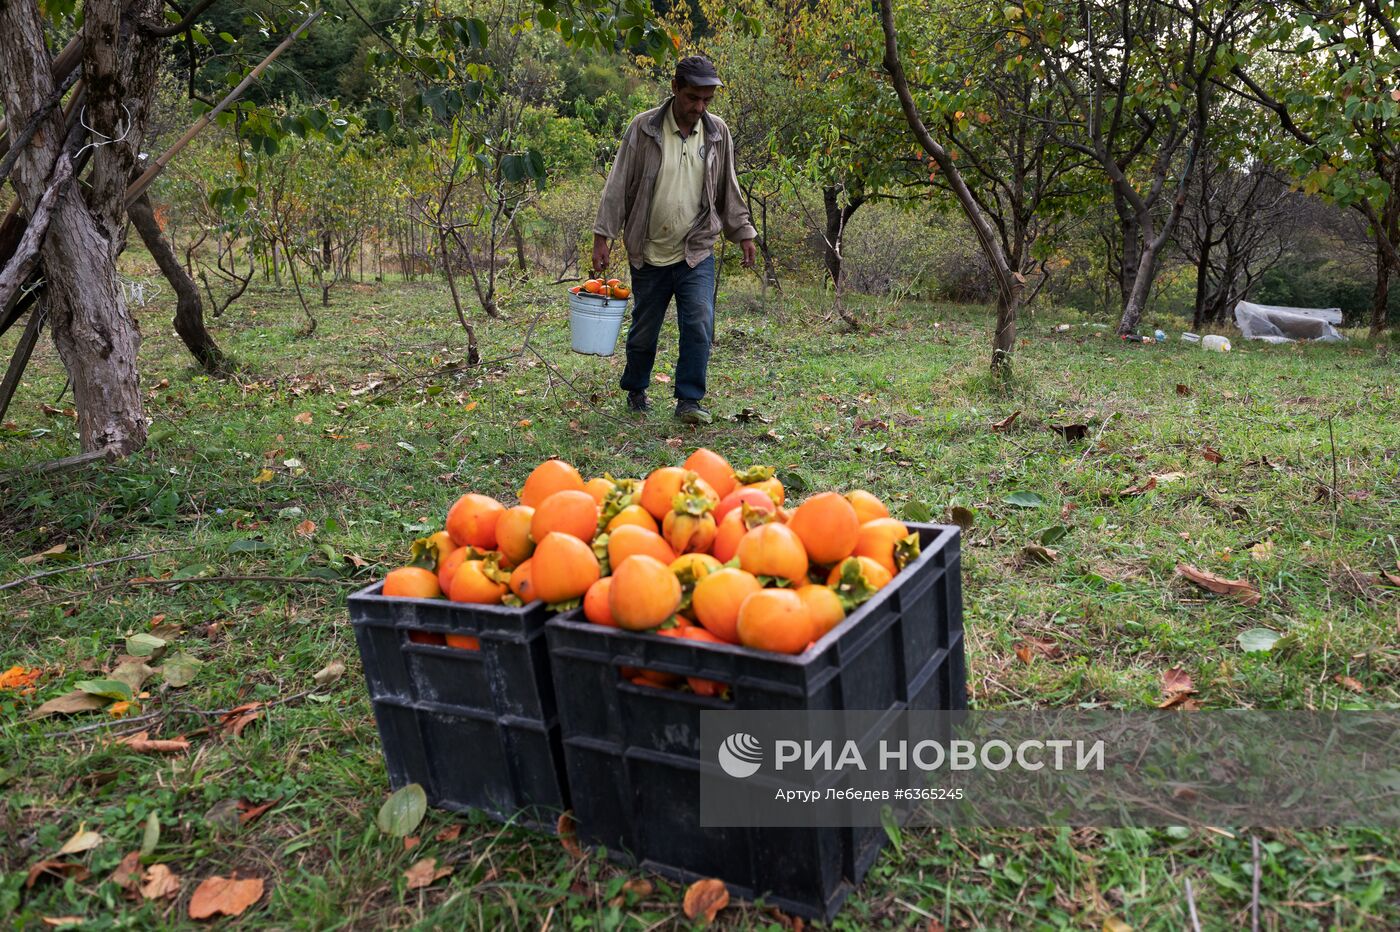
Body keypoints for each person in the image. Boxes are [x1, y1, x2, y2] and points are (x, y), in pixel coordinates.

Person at [592, 55, 758, 425]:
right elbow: (617, 185)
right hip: (649, 250)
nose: (699, 107)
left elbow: (728, 188)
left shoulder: (717, 133)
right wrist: (603, 235)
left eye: (706, 101)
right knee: (643, 330)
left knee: (699, 322)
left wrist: (744, 232)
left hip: (695, 249)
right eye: (692, 98)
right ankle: (636, 388)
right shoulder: (644, 129)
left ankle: (688, 399)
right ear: (675, 88)